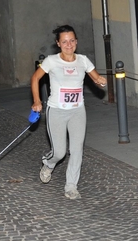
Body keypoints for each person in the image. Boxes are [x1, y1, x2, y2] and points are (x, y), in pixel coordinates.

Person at [31, 25, 107, 199]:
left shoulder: (83, 60)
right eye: (64, 41)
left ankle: (71, 186)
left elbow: (95, 77)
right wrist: (36, 101)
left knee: (77, 149)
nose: (69, 44)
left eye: (72, 40)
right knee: (59, 152)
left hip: (77, 111)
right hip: (56, 110)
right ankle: (48, 164)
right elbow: (35, 78)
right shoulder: (51, 61)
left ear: (76, 42)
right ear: (58, 43)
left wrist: (100, 81)